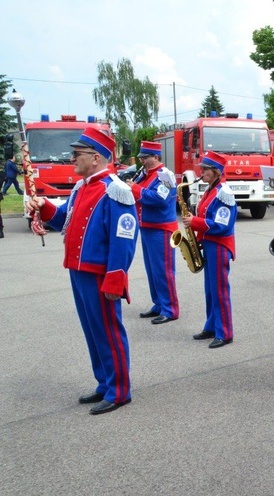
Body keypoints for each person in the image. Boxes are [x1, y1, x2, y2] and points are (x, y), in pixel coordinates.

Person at [27, 127, 138, 415]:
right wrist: (45, 206)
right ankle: (104, 382)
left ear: (96, 158)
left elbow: (123, 238)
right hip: (78, 270)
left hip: (101, 274)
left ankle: (119, 390)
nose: (71, 158)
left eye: (77, 154)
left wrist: (117, 277)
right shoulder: (82, 187)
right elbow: (64, 219)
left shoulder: (116, 190)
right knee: (93, 331)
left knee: (108, 331)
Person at [182, 151, 237, 348]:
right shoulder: (209, 190)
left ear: (215, 172)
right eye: (202, 169)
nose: (201, 172)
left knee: (219, 290)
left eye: (205, 169)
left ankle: (225, 332)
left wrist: (194, 222)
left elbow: (222, 225)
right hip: (209, 244)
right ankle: (212, 325)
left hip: (219, 246)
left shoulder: (224, 193)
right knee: (210, 289)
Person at [126, 141, 180, 325]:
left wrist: (134, 188)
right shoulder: (145, 174)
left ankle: (170, 309)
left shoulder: (166, 176)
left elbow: (160, 199)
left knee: (163, 270)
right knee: (152, 270)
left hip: (162, 229)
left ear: (156, 157)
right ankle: (158, 304)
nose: (142, 160)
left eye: (145, 157)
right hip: (148, 227)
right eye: (141, 157)